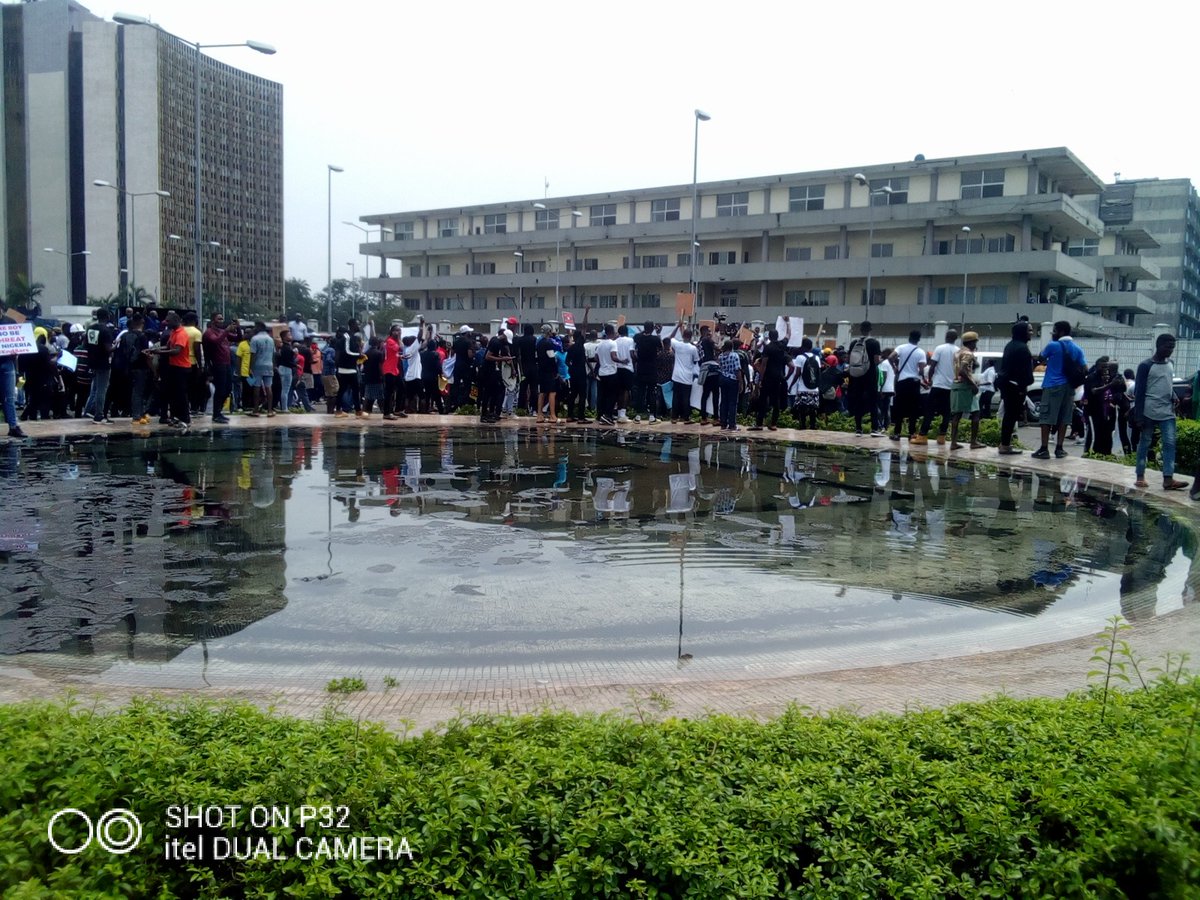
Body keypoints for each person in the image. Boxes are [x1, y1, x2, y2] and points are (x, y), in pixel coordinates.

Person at [1133, 333, 1188, 491]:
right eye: (1167, 346)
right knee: (1145, 443)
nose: (1170, 350)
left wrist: (1174, 396)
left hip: (1167, 411)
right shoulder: (1145, 366)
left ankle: (1168, 479)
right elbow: (1139, 392)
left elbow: (1167, 383)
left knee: (1170, 443)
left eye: (1172, 347)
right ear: (1158, 345)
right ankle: (1140, 476)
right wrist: (1138, 416)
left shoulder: (1170, 363)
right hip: (1148, 410)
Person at [1032, 320, 1086, 460]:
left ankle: (1044, 449)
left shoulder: (1053, 345)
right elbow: (1084, 368)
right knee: (1064, 418)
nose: (1053, 334)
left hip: (1053, 385)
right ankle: (1059, 448)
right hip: (1069, 387)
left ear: (1061, 332)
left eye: (1054, 331)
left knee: (1046, 417)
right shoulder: (1077, 349)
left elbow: (1041, 358)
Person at [145, 312, 193, 431]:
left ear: (175, 321)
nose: (166, 323)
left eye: (168, 321)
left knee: (181, 394)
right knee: (174, 394)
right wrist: (153, 349)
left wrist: (158, 352)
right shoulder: (173, 332)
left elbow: (176, 351)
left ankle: (185, 418)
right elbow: (167, 347)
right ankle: (176, 417)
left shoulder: (181, 334)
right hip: (174, 367)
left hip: (182, 367)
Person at [994, 320, 1034, 455]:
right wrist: (1024, 386)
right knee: (1010, 416)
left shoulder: (1010, 345)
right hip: (1015, 386)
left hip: (1006, 384)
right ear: (1022, 332)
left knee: (1008, 416)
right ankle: (1005, 445)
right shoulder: (1022, 348)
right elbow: (1024, 371)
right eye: (1029, 330)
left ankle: (1005, 444)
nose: (1032, 333)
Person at [912, 329, 958, 446]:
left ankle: (922, 435)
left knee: (930, 410)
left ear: (946, 336)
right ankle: (942, 436)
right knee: (947, 412)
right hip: (950, 386)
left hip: (938, 385)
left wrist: (930, 379)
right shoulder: (958, 351)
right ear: (956, 338)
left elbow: (932, 366)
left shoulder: (940, 348)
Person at [750, 324, 794, 431]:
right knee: (776, 402)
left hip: (768, 377)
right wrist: (787, 323)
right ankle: (773, 424)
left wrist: (760, 379)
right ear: (778, 336)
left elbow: (764, 365)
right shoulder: (782, 345)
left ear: (769, 337)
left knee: (763, 400)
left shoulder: (768, 348)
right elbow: (789, 334)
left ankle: (759, 424)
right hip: (779, 377)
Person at [845, 320, 882, 436]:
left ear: (860, 329)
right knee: (873, 402)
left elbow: (849, 359)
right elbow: (876, 360)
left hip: (856, 376)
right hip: (870, 375)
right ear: (870, 330)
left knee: (858, 401)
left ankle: (858, 429)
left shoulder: (853, 343)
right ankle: (875, 429)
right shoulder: (874, 343)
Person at [948, 331, 983, 450]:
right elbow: (963, 370)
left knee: (956, 415)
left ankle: (953, 442)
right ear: (972, 342)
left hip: (956, 384)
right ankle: (973, 442)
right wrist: (973, 384)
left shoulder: (957, 352)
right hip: (966, 386)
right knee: (976, 413)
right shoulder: (968, 354)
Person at [888, 330, 925, 441]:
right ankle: (912, 433)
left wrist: (895, 367)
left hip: (902, 382)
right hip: (914, 383)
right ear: (919, 339)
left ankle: (897, 434)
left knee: (899, 407)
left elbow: (890, 357)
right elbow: (921, 370)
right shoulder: (920, 352)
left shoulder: (901, 347)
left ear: (909, 337)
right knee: (914, 408)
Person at [83, 309, 115, 424]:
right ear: (107, 316)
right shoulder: (106, 330)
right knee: (102, 389)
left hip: (92, 361)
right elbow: (108, 349)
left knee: (95, 389)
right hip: (103, 362)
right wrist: (116, 345)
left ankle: (89, 411)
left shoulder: (91, 328)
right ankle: (99, 415)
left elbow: (85, 344)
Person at [203, 313, 232, 423]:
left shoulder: (221, 332)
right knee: (220, 389)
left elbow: (238, 338)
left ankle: (218, 411)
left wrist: (237, 328)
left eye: (222, 318)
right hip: (217, 363)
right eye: (219, 319)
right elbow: (216, 341)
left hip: (226, 363)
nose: (221, 320)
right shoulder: (209, 332)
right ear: (213, 320)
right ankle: (216, 414)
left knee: (228, 388)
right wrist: (226, 331)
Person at [124, 314, 153, 424]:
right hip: (141, 367)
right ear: (142, 323)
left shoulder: (126, 335)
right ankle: (137, 415)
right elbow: (145, 354)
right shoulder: (142, 336)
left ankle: (138, 413)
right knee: (139, 392)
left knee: (135, 391)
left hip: (129, 367)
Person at [669, 326, 699, 424]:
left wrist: (677, 327)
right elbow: (695, 361)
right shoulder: (693, 348)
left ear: (682, 335)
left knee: (676, 397)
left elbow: (670, 338)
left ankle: (674, 417)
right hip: (687, 376)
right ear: (691, 337)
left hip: (676, 375)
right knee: (686, 398)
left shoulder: (677, 344)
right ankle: (685, 417)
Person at [632, 321, 660, 424]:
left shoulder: (638, 337)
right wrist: (657, 332)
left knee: (640, 392)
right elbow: (660, 346)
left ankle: (638, 416)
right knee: (652, 392)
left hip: (641, 368)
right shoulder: (655, 339)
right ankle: (652, 417)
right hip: (652, 369)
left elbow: (638, 336)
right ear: (652, 329)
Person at [792, 337, 821, 430]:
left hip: (802, 387)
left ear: (802, 347)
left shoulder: (800, 357)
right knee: (813, 408)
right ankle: (813, 425)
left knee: (802, 408)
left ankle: (803, 425)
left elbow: (797, 373)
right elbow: (818, 373)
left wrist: (792, 385)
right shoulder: (817, 357)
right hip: (814, 388)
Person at [535, 324, 561, 424]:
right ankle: (552, 415)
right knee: (552, 392)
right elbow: (551, 358)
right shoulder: (549, 343)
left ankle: (539, 415)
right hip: (549, 371)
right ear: (549, 332)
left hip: (541, 369)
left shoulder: (539, 343)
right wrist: (555, 371)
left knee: (542, 392)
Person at [595, 324, 619, 425]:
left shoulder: (600, 344)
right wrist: (622, 361)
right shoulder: (613, 343)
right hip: (611, 372)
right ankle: (608, 416)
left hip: (602, 372)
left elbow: (596, 357)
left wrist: (602, 362)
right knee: (612, 395)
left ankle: (600, 415)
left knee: (602, 395)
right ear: (612, 332)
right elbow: (613, 357)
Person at [716, 339, 742, 431]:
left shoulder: (720, 356)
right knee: (732, 402)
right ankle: (732, 424)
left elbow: (719, 367)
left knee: (723, 401)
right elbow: (737, 370)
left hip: (723, 379)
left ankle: (723, 423)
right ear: (732, 347)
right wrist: (741, 383)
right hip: (732, 379)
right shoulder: (735, 355)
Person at [614, 324, 635, 423]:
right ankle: (623, 414)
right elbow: (631, 353)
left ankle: (619, 414)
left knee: (619, 391)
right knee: (626, 391)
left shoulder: (615, 341)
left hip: (617, 368)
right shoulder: (630, 340)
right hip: (627, 367)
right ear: (627, 332)